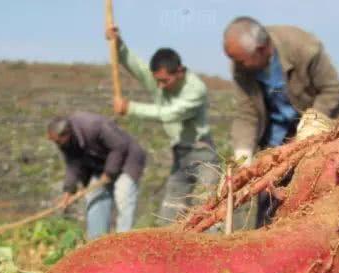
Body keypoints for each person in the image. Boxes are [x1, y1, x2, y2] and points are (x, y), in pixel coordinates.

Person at [223, 16, 339, 227]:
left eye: (240, 60)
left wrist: (313, 122)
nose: (236, 66)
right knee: (268, 192)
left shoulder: (304, 48)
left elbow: (331, 90)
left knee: (320, 192)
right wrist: (243, 152)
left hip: (321, 125)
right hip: (277, 135)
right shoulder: (241, 68)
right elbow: (247, 113)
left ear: (262, 49)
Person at [106, 25, 219, 225]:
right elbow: (136, 66)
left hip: (203, 154)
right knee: (169, 214)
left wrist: (130, 108)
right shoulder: (160, 82)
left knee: (210, 209)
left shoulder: (196, 90)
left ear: (180, 72)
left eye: (164, 81)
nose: (159, 86)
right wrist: (118, 44)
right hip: (180, 155)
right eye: (157, 81)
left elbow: (170, 114)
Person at [47, 112, 146, 240]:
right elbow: (72, 164)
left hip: (128, 160)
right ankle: (96, 243)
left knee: (123, 196)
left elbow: (120, 146)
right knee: (94, 196)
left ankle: (124, 243)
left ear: (66, 134)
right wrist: (68, 191)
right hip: (102, 165)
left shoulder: (93, 125)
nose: (57, 144)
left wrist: (109, 172)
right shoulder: (65, 142)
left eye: (58, 141)